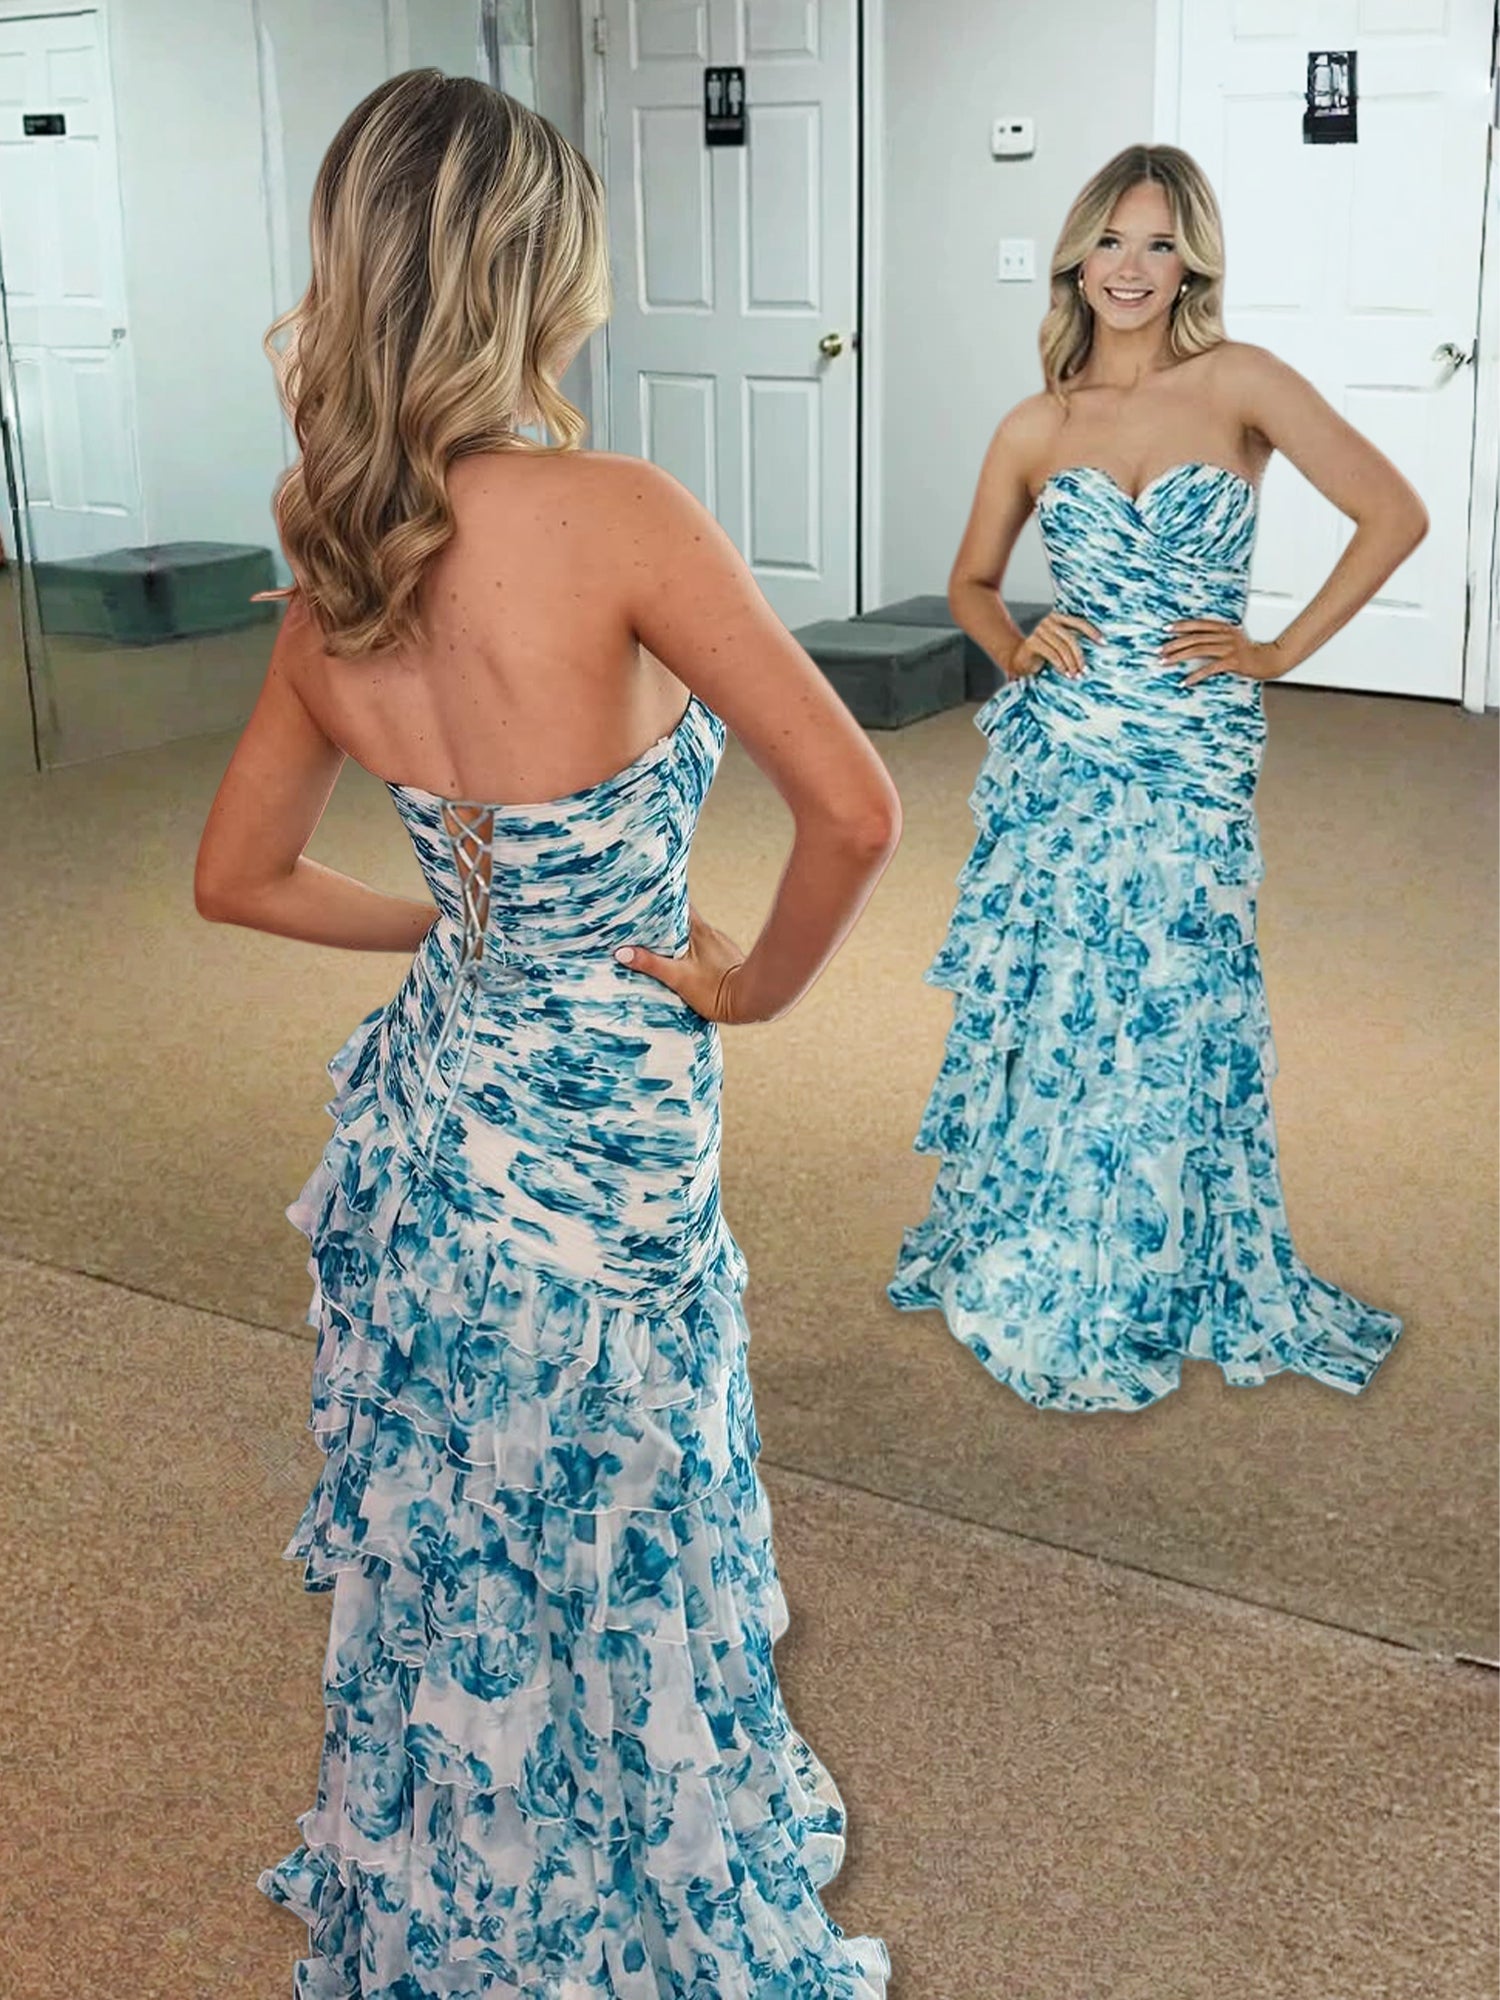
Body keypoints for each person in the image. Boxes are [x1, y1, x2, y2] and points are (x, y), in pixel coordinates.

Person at [194, 71, 898, 1994]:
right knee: (625, 1488)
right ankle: (638, 1876)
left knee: (466, 1504)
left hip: (437, 1102)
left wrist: (450, 921)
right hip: (609, 1107)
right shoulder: (618, 514)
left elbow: (238, 879)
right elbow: (854, 812)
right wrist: (752, 987)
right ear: (541, 269)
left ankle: (474, 1878)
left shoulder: (334, 561)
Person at [888, 142, 1424, 1414]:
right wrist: (1017, 645)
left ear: (1193, 262)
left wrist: (1278, 651)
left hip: (1192, 744)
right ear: (1078, 258)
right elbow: (970, 578)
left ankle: (1161, 1259)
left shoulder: (1240, 381)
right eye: (1112, 242)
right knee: (1070, 993)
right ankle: (1056, 1232)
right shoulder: (1038, 422)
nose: (1132, 268)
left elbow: (1394, 513)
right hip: (1068, 746)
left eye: (1161, 243)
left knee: (1176, 997)